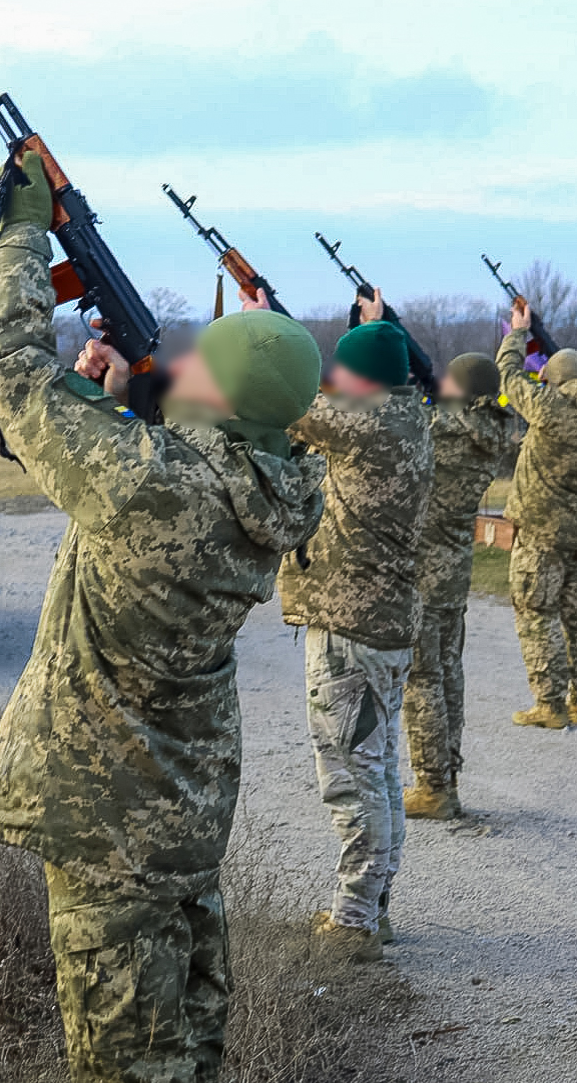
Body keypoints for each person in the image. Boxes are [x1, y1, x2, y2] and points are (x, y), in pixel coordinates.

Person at [0, 152, 326, 1083]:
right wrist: (128, 399)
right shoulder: (271, 487)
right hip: (179, 816)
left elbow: (9, 368)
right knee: (187, 1048)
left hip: (106, 824)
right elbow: (190, 460)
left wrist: (21, 230)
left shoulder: (150, 484)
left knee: (123, 1064)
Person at [245, 286, 434, 961]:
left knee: (353, 774)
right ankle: (373, 905)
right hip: (381, 624)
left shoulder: (367, 425)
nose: (335, 378)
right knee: (377, 770)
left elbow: (284, 401)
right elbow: (343, 389)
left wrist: (263, 327)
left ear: (364, 381)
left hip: (351, 628)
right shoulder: (407, 416)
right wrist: (373, 329)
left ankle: (354, 920)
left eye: (344, 370)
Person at [497, 302, 577, 729]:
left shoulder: (551, 410)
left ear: (556, 381)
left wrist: (517, 333)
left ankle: (549, 704)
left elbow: (510, 379)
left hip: (540, 532)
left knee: (536, 612)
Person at [403, 354, 512, 820]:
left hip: (425, 572)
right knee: (447, 672)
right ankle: (446, 773)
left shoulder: (443, 432)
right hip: (452, 572)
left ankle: (433, 788)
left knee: (423, 677)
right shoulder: (485, 432)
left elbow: (398, 424)